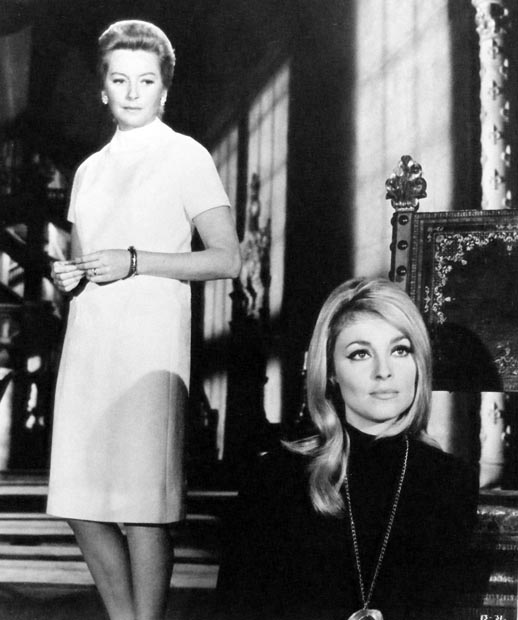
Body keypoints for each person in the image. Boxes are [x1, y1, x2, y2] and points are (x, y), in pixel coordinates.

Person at [46, 19, 241, 620]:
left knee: (143, 510)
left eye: (147, 80)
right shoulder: (88, 170)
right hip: (88, 345)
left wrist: (135, 261)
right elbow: (83, 260)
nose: (133, 92)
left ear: (165, 89)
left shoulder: (186, 156)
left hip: (150, 346)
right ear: (102, 88)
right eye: (120, 79)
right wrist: (68, 276)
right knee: (78, 504)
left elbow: (226, 258)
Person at [217, 278, 478, 620]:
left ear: (420, 362)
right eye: (360, 354)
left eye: (400, 350)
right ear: (331, 373)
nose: (384, 372)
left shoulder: (451, 481)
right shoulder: (274, 479)